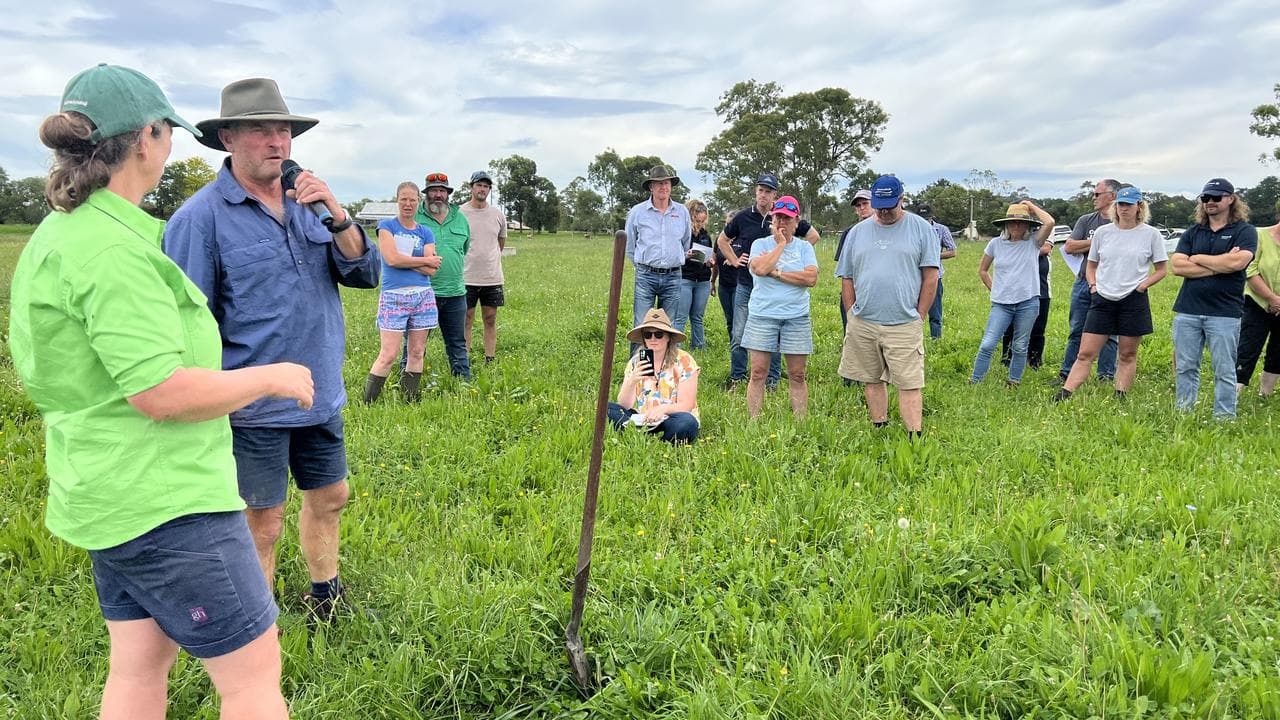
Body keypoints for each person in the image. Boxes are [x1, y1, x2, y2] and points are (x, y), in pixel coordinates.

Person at [11, 64, 302, 719]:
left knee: (139, 670)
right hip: (168, 504)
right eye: (167, 130)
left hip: (107, 497)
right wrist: (270, 377)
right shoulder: (110, 252)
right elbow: (160, 392)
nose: (169, 142)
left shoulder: (66, 236)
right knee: (254, 678)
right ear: (146, 138)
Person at [164, 77, 379, 620]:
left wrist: (337, 212)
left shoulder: (309, 202)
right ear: (229, 138)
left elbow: (364, 272)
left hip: (319, 392)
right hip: (250, 405)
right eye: (260, 130)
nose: (277, 141)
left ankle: (325, 596)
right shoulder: (199, 219)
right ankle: (257, 624)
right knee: (262, 520)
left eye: (283, 130)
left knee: (330, 497)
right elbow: (188, 328)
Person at [836, 175, 940, 435]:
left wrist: (920, 315)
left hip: (904, 321)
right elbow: (846, 276)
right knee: (871, 378)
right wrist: (851, 313)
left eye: (890, 206)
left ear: (902, 200)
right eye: (879, 206)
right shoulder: (857, 232)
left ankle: (914, 436)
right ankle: (879, 426)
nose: (884, 212)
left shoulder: (921, 228)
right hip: (864, 321)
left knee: (909, 382)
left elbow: (931, 276)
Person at [1054, 187, 1167, 401]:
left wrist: (1142, 286)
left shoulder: (1151, 235)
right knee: (1085, 353)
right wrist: (1094, 286)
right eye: (1120, 205)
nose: (1123, 209)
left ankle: (1120, 394)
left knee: (1127, 353)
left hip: (1133, 298)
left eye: (1128, 205)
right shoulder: (1103, 233)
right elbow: (1091, 265)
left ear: (1139, 207)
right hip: (1103, 297)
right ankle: (1065, 393)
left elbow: (1162, 270)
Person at [717, 172, 819, 388]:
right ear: (756, 191)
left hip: (780, 289)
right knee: (738, 333)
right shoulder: (743, 217)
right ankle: (737, 377)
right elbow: (722, 240)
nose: (763, 194)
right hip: (747, 284)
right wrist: (735, 260)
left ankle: (772, 381)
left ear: (774, 195)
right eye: (760, 190)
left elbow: (813, 236)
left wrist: (794, 259)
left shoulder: (785, 215)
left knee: (772, 338)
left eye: (768, 191)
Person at [1171, 179, 1257, 419]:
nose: (1210, 202)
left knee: (1225, 369)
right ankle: (1184, 412)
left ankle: (1224, 416)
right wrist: (1220, 264)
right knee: (1185, 366)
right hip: (1188, 310)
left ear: (1231, 199)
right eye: (1205, 198)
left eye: (1216, 197)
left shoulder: (1244, 231)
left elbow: (1238, 262)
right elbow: (1177, 266)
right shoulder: (1193, 231)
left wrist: (1196, 258)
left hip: (1225, 313)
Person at [363, 181, 440, 403]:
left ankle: (410, 398)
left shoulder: (426, 231)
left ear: (419, 202)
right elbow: (391, 258)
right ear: (397, 201)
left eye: (412, 199)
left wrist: (404, 261)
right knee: (389, 354)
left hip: (423, 296)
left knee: (417, 352)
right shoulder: (387, 226)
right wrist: (423, 260)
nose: (408, 204)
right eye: (404, 199)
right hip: (394, 297)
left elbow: (431, 270)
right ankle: (369, 402)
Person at [743, 196, 819, 417]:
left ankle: (800, 421)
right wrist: (781, 245)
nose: (782, 223)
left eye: (787, 219)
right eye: (778, 217)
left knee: (797, 374)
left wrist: (777, 274)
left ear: (796, 222)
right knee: (758, 372)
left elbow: (811, 278)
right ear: (772, 219)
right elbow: (759, 269)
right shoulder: (760, 244)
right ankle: (753, 422)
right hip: (762, 315)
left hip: (796, 316)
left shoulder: (805, 247)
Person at [969, 202, 1054, 386]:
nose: (1017, 226)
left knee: (1020, 345)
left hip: (1028, 303)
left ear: (1028, 225)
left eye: (1022, 222)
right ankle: (975, 381)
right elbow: (983, 270)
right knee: (988, 344)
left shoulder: (1033, 242)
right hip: (1001, 304)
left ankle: (1013, 381)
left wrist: (1030, 206)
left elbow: (1049, 222)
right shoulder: (995, 244)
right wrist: (996, 289)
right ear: (1006, 225)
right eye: (1012, 222)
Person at [607, 309, 701, 444]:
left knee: (687, 423)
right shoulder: (636, 361)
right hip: (643, 418)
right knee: (606, 409)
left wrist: (663, 409)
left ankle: (658, 440)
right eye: (647, 335)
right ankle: (641, 434)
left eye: (658, 334)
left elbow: (687, 404)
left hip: (672, 418)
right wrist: (632, 381)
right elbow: (624, 404)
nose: (653, 339)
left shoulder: (684, 360)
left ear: (668, 337)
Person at [1060, 179, 1121, 382]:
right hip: (1084, 283)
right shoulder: (1086, 220)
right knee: (1077, 329)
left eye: (1097, 194)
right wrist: (1098, 241)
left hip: (1112, 284)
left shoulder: (1123, 222)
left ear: (1112, 196)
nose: (1093, 198)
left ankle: (1106, 375)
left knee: (1111, 334)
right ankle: (1067, 373)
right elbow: (1069, 246)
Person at [624, 165, 691, 343]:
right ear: (651, 187)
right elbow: (630, 245)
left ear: (671, 186)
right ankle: (639, 369)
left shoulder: (682, 212)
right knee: (641, 326)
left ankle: (665, 370)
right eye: (659, 183)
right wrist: (642, 265)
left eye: (667, 183)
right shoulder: (637, 212)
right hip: (646, 275)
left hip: (673, 275)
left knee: (670, 327)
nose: (663, 187)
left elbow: (685, 242)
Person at [416, 171, 473, 380]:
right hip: (422, 293)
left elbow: (464, 249)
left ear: (448, 194)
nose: (438, 195)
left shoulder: (460, 218)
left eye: (442, 190)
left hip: (455, 292)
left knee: (457, 342)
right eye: (433, 191)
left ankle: (464, 385)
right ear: (426, 193)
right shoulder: (416, 217)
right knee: (416, 344)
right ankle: (409, 384)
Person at [460, 170, 508, 364]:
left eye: (486, 186)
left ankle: (490, 358)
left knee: (490, 318)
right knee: (466, 318)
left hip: (491, 276)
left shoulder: (497, 215)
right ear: (471, 187)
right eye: (479, 185)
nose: (483, 189)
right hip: (466, 276)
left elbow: (500, 242)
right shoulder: (460, 213)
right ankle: (465, 357)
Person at [1236, 202, 1280, 396]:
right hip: (1257, 302)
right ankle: (1233, 394)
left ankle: (1265, 394)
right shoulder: (1259, 235)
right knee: (1247, 348)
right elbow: (1250, 269)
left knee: (1278, 351)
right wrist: (1272, 298)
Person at [1001, 228, 1054, 369]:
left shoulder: (1045, 229)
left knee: (1038, 327)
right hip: (1015, 287)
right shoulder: (1009, 230)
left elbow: (1045, 249)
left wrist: (1020, 249)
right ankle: (1007, 359)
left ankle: (1034, 361)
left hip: (1041, 288)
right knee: (1010, 326)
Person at [672, 198, 713, 349]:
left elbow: (709, 254)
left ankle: (699, 346)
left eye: (703, 221)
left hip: (702, 279)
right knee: (680, 316)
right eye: (697, 221)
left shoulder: (705, 235)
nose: (700, 225)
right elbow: (674, 254)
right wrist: (686, 255)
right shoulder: (681, 234)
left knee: (698, 316)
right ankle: (676, 349)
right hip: (685, 277)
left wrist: (710, 262)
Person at [835, 188, 874, 332]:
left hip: (875, 292)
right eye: (858, 205)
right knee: (851, 332)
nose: (862, 208)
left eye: (865, 203)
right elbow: (845, 269)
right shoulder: (850, 233)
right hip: (854, 289)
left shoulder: (886, 230)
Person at [917, 204, 957, 339]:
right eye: (922, 219)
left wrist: (933, 255)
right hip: (914, 276)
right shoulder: (912, 230)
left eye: (927, 219)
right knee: (912, 312)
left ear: (932, 217)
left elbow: (952, 251)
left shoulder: (941, 229)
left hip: (934, 277)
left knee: (935, 313)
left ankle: (936, 341)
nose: (924, 222)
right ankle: (913, 339)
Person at [711, 211, 737, 339]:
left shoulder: (743, 240)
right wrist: (712, 282)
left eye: (731, 225)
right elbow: (715, 263)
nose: (728, 228)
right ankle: (733, 343)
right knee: (729, 318)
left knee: (739, 318)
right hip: (724, 285)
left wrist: (734, 259)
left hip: (739, 285)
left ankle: (741, 345)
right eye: (726, 224)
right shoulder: (720, 239)